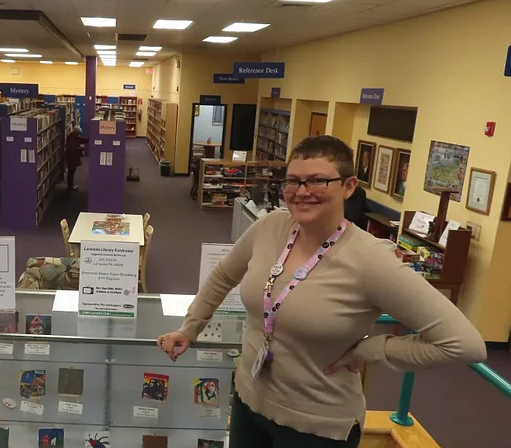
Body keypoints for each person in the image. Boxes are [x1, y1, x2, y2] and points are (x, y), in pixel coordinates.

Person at [157, 135, 485, 448]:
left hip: (317, 427)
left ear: (348, 186)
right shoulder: (270, 227)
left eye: (317, 181)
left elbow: (464, 344)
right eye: (293, 180)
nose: (302, 191)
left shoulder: (371, 260)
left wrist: (370, 351)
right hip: (248, 402)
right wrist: (191, 326)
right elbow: (224, 274)